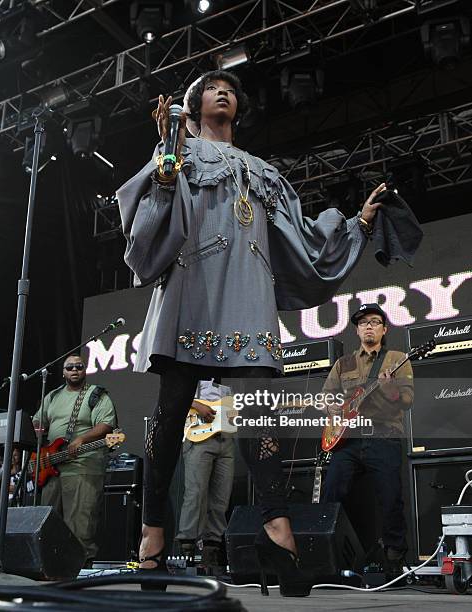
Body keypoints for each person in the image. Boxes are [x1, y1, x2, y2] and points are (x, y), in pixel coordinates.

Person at [117, 69, 388, 596]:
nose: (224, 91)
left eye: (231, 89)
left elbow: (303, 237)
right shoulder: (180, 150)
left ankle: (274, 524)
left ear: (239, 107)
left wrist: (358, 223)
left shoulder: (264, 171)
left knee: (262, 406)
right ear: (194, 106)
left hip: (249, 290)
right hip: (194, 285)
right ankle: (153, 532)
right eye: (211, 88)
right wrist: (167, 160)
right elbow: (151, 212)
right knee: (171, 410)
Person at [321, 303, 414, 579]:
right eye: (363, 323)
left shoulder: (397, 358)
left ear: (384, 329)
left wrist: (389, 389)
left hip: (383, 437)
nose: (369, 326)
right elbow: (327, 396)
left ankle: (394, 559)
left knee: (390, 499)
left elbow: (407, 401)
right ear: (357, 330)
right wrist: (333, 408)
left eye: (374, 321)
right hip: (347, 441)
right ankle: (329, 558)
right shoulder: (344, 363)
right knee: (331, 495)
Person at [32, 354, 117, 567]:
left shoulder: (95, 395)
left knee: (80, 523)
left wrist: (82, 438)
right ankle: (50, 567)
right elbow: (37, 422)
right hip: (51, 466)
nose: (74, 370)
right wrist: (38, 435)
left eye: (79, 366)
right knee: (48, 522)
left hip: (83, 464)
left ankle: (80, 567)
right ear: (63, 372)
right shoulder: (52, 396)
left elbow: (106, 425)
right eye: (70, 367)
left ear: (84, 370)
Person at [176, 379, 235, 574]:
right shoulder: (195, 367)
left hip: (226, 437)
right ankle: (187, 550)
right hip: (199, 436)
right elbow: (175, 392)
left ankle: (212, 551)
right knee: (196, 493)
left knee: (221, 498)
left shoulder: (232, 373)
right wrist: (196, 404)